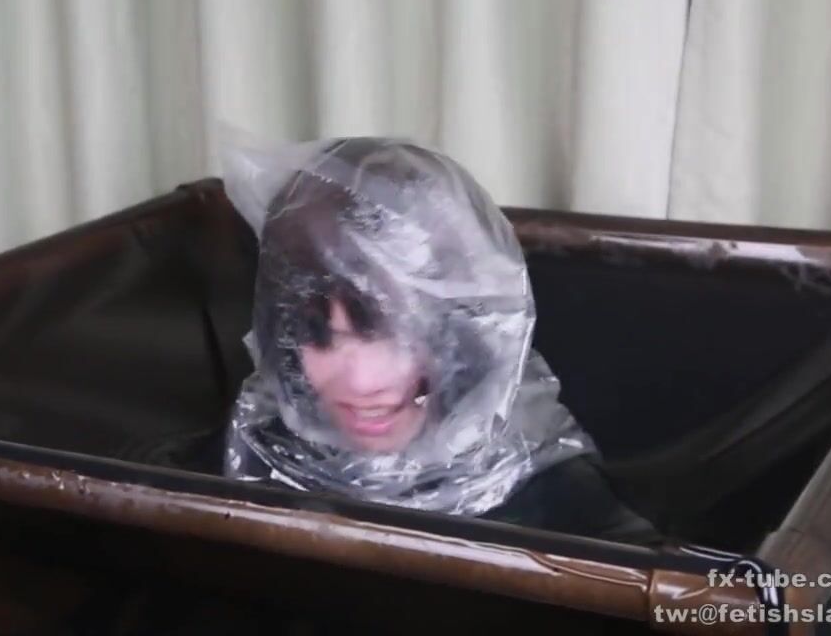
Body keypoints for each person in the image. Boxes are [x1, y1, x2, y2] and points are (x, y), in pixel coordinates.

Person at [221, 135, 660, 545]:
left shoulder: (552, 495)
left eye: (391, 334)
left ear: (458, 327)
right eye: (317, 334)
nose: (360, 381)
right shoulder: (264, 448)